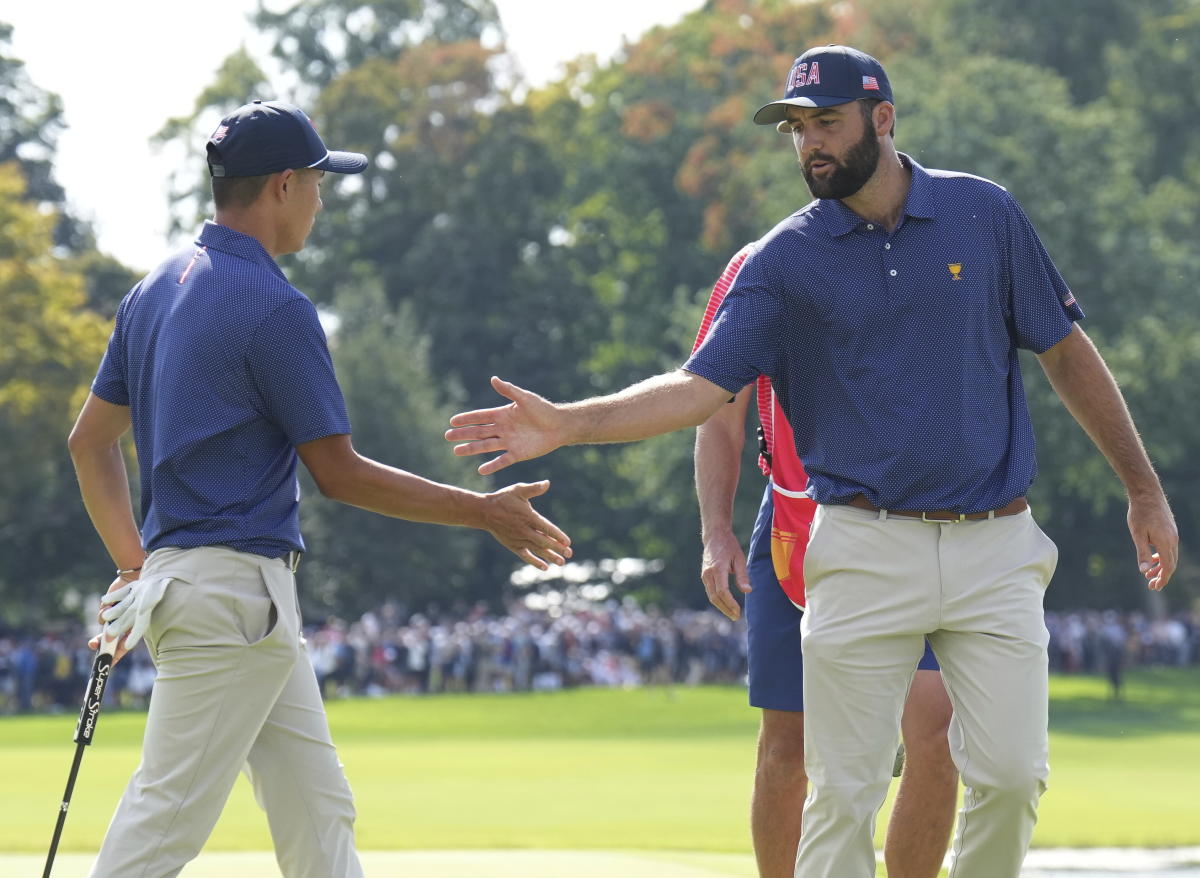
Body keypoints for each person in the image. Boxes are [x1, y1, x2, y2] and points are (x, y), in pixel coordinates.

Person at [444, 45, 1177, 878]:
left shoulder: (986, 215)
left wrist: (1141, 489)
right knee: (844, 794)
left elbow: (1068, 354)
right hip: (862, 548)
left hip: (997, 545)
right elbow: (699, 390)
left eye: (825, 123)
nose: (809, 145)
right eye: (796, 129)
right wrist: (571, 424)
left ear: (884, 120)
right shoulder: (783, 260)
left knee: (1011, 779)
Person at [67, 99, 571, 878]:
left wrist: (138, 566)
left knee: (317, 808)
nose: (321, 202)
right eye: (318, 183)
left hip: (223, 597)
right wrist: (481, 511)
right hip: (235, 596)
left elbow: (90, 443)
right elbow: (340, 474)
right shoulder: (275, 306)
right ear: (281, 186)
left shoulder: (153, 289)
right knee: (164, 819)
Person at [693, 248, 957, 877]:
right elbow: (714, 407)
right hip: (792, 522)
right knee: (788, 749)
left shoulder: (934, 248)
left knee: (937, 733)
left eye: (826, 137)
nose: (814, 145)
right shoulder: (758, 266)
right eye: (805, 139)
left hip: (913, 523)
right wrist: (714, 530)